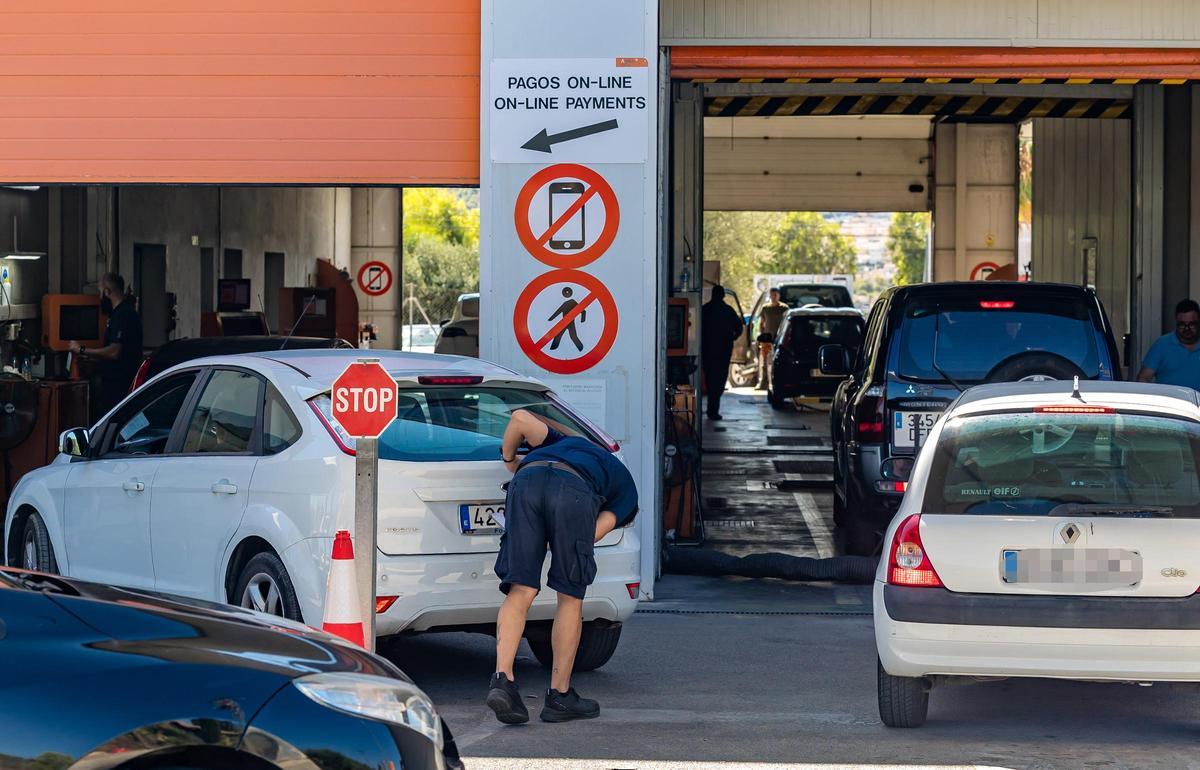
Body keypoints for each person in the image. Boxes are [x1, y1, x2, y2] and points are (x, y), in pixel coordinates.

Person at [486, 409, 638, 725]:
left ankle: (503, 678)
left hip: (526, 482)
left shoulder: (557, 441)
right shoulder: (624, 487)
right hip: (574, 492)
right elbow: (593, 531)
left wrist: (510, 460)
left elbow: (520, 418)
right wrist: (557, 537)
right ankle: (559, 696)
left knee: (520, 589)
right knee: (570, 595)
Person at [69, 272, 144, 418]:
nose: (99, 297)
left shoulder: (124, 314)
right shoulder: (116, 314)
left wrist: (82, 349)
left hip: (120, 385)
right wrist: (94, 360)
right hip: (111, 382)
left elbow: (114, 352)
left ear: (107, 292)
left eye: (100, 292)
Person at [700, 284, 744, 420]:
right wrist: (732, 337)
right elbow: (739, 327)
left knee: (709, 377)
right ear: (723, 296)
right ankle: (713, 409)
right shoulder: (728, 311)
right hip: (723, 351)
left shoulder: (705, 310)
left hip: (707, 350)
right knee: (719, 380)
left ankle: (711, 409)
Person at [1138, 299, 1200, 388]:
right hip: (1169, 401)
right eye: (1182, 324)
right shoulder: (1162, 344)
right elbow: (1143, 378)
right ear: (1176, 322)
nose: (1187, 329)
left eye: (1192, 324)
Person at [756, 287, 789, 389]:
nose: (774, 297)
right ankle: (763, 383)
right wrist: (761, 335)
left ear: (779, 295)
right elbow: (762, 323)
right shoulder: (765, 308)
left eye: (775, 294)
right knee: (764, 361)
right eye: (772, 294)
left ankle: (777, 383)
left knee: (778, 361)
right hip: (767, 338)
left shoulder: (784, 308)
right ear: (770, 295)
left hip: (779, 338)